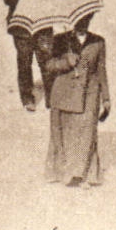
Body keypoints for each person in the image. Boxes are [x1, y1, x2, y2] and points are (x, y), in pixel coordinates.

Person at [40, 15, 109, 187]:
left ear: (90, 19)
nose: (82, 24)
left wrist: (106, 98)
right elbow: (48, 65)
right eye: (79, 21)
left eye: (86, 20)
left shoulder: (98, 42)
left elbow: (101, 70)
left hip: (89, 94)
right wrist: (65, 62)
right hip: (63, 94)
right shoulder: (60, 40)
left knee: (86, 134)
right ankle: (63, 172)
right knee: (64, 134)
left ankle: (82, 174)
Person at [3, 0, 52, 111]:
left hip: (41, 25)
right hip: (22, 27)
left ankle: (51, 97)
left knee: (47, 60)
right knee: (24, 62)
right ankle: (27, 98)